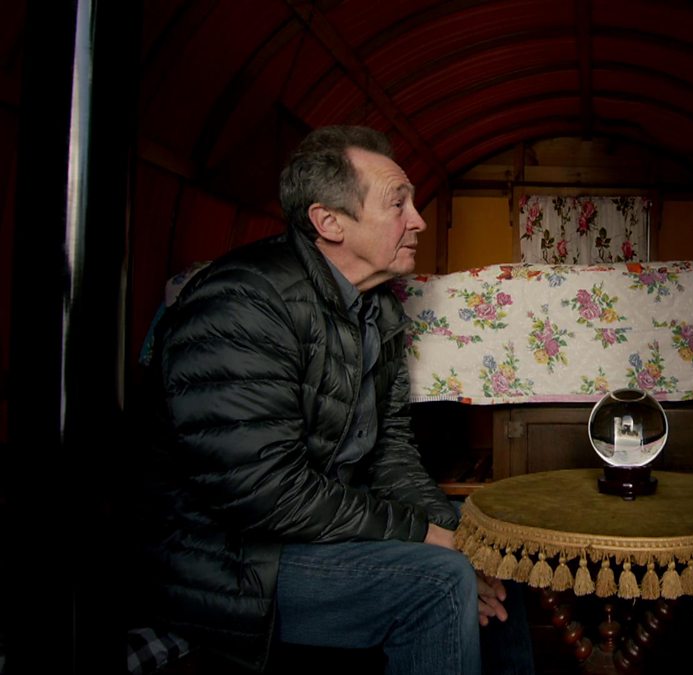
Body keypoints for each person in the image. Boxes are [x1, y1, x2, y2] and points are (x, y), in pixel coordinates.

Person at [130, 125, 532, 674]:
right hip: (227, 557)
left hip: (316, 526)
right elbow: (264, 492)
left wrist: (458, 535)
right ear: (330, 222)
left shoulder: (378, 310)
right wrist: (426, 535)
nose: (418, 219)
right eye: (398, 204)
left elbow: (390, 454)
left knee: (492, 543)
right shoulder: (242, 303)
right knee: (440, 580)